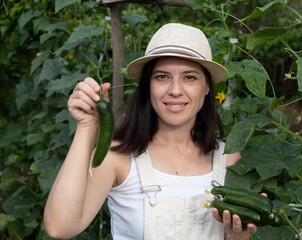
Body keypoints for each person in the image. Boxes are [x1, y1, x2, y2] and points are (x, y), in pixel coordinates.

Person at [43, 23, 258, 240]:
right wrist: (86, 127)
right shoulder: (117, 157)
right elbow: (60, 227)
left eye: (189, 77)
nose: (175, 90)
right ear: (148, 85)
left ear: (207, 87)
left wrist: (238, 236)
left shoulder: (229, 158)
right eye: (162, 77)